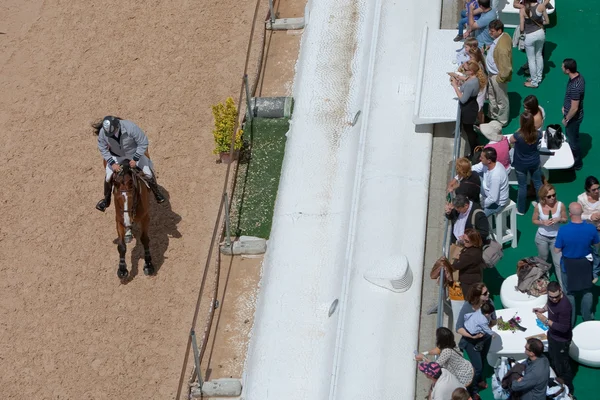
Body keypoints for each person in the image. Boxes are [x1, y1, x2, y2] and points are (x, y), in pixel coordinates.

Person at [94, 116, 165, 211]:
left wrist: (135, 159)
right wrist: (112, 163)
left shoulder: (130, 127)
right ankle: (106, 200)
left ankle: (157, 193)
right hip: (117, 156)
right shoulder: (104, 132)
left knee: (148, 173)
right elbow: (102, 148)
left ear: (117, 126)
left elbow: (143, 142)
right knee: (108, 176)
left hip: (134, 153)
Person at [554, 202, 600, 326]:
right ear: (582, 213)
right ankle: (588, 319)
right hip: (585, 265)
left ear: (570, 214)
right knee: (587, 291)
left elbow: (557, 250)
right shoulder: (591, 228)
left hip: (568, 266)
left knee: (569, 293)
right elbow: (596, 246)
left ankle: (570, 320)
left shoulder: (563, 230)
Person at [456, 283, 497, 399]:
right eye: (485, 293)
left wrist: (487, 328)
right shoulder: (467, 307)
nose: (488, 294)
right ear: (477, 296)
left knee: (483, 359)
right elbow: (458, 327)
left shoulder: (489, 303)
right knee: (477, 367)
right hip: (471, 341)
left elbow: (494, 320)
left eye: (487, 292)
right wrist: (472, 336)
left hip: (485, 338)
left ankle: (479, 380)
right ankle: (472, 390)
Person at [532, 281, 574, 394]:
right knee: (553, 358)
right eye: (551, 297)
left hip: (561, 340)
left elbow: (564, 328)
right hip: (552, 335)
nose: (554, 299)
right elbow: (549, 305)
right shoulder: (550, 298)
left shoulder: (565, 306)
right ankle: (555, 378)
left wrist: (545, 320)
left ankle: (568, 388)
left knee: (563, 365)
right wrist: (542, 310)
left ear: (560, 290)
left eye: (556, 297)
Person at [532, 184, 567, 288]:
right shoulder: (538, 207)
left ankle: (563, 287)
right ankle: (543, 279)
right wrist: (543, 222)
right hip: (542, 237)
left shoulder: (560, 205)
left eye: (554, 195)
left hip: (556, 238)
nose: (552, 198)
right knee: (543, 259)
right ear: (543, 198)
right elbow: (534, 220)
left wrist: (559, 219)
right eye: (549, 196)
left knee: (558, 263)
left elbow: (565, 219)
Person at [510, 111, 542, 215]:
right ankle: (541, 204)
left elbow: (511, 140)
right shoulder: (538, 134)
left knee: (522, 186)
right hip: (534, 162)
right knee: (538, 183)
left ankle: (521, 209)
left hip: (521, 164)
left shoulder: (518, 136)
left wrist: (520, 129)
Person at [451, 61, 482, 158]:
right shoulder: (474, 79)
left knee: (468, 130)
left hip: (468, 110)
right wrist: (458, 78)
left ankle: (474, 150)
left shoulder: (471, 83)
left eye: (466, 70)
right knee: (468, 129)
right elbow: (466, 82)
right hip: (472, 106)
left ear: (471, 71)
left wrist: (455, 86)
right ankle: (475, 141)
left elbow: (463, 99)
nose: (464, 71)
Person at [486, 19, 512, 126]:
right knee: (492, 95)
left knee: (501, 100)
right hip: (492, 74)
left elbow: (506, 69)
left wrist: (499, 78)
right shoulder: (504, 36)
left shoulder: (502, 49)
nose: (489, 33)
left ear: (499, 31)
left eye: (492, 31)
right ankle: (493, 114)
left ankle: (502, 121)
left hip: (497, 76)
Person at [520, 0, 550, 88]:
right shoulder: (541, 6)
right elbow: (547, 21)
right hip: (540, 33)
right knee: (539, 55)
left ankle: (534, 82)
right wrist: (540, 23)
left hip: (529, 36)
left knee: (531, 59)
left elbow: (522, 27)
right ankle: (539, 78)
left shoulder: (522, 10)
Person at [562, 58, 585, 170]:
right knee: (573, 136)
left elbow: (574, 108)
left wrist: (566, 118)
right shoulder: (579, 78)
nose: (561, 68)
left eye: (563, 66)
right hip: (573, 115)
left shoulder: (575, 87)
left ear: (567, 70)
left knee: (573, 140)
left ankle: (576, 163)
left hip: (573, 118)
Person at [472, 147, 510, 216]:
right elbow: (473, 168)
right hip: (490, 193)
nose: (480, 159)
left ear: (489, 160)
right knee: (473, 175)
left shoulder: (496, 176)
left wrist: (481, 204)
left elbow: (493, 199)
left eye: (482, 158)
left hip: (497, 203)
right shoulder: (488, 164)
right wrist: (457, 178)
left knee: (479, 218)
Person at [451, 229, 486, 298]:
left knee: (469, 299)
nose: (464, 242)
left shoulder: (470, 255)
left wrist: (455, 259)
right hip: (475, 277)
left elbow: (456, 266)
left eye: (466, 241)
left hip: (468, 282)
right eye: (463, 239)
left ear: (474, 241)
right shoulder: (476, 248)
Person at [578, 176, 600, 274]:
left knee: (596, 252)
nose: (597, 191)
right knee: (585, 250)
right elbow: (579, 215)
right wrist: (590, 216)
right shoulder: (581, 198)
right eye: (593, 189)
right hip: (586, 229)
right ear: (587, 190)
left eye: (598, 188)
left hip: (598, 229)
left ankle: (595, 271)